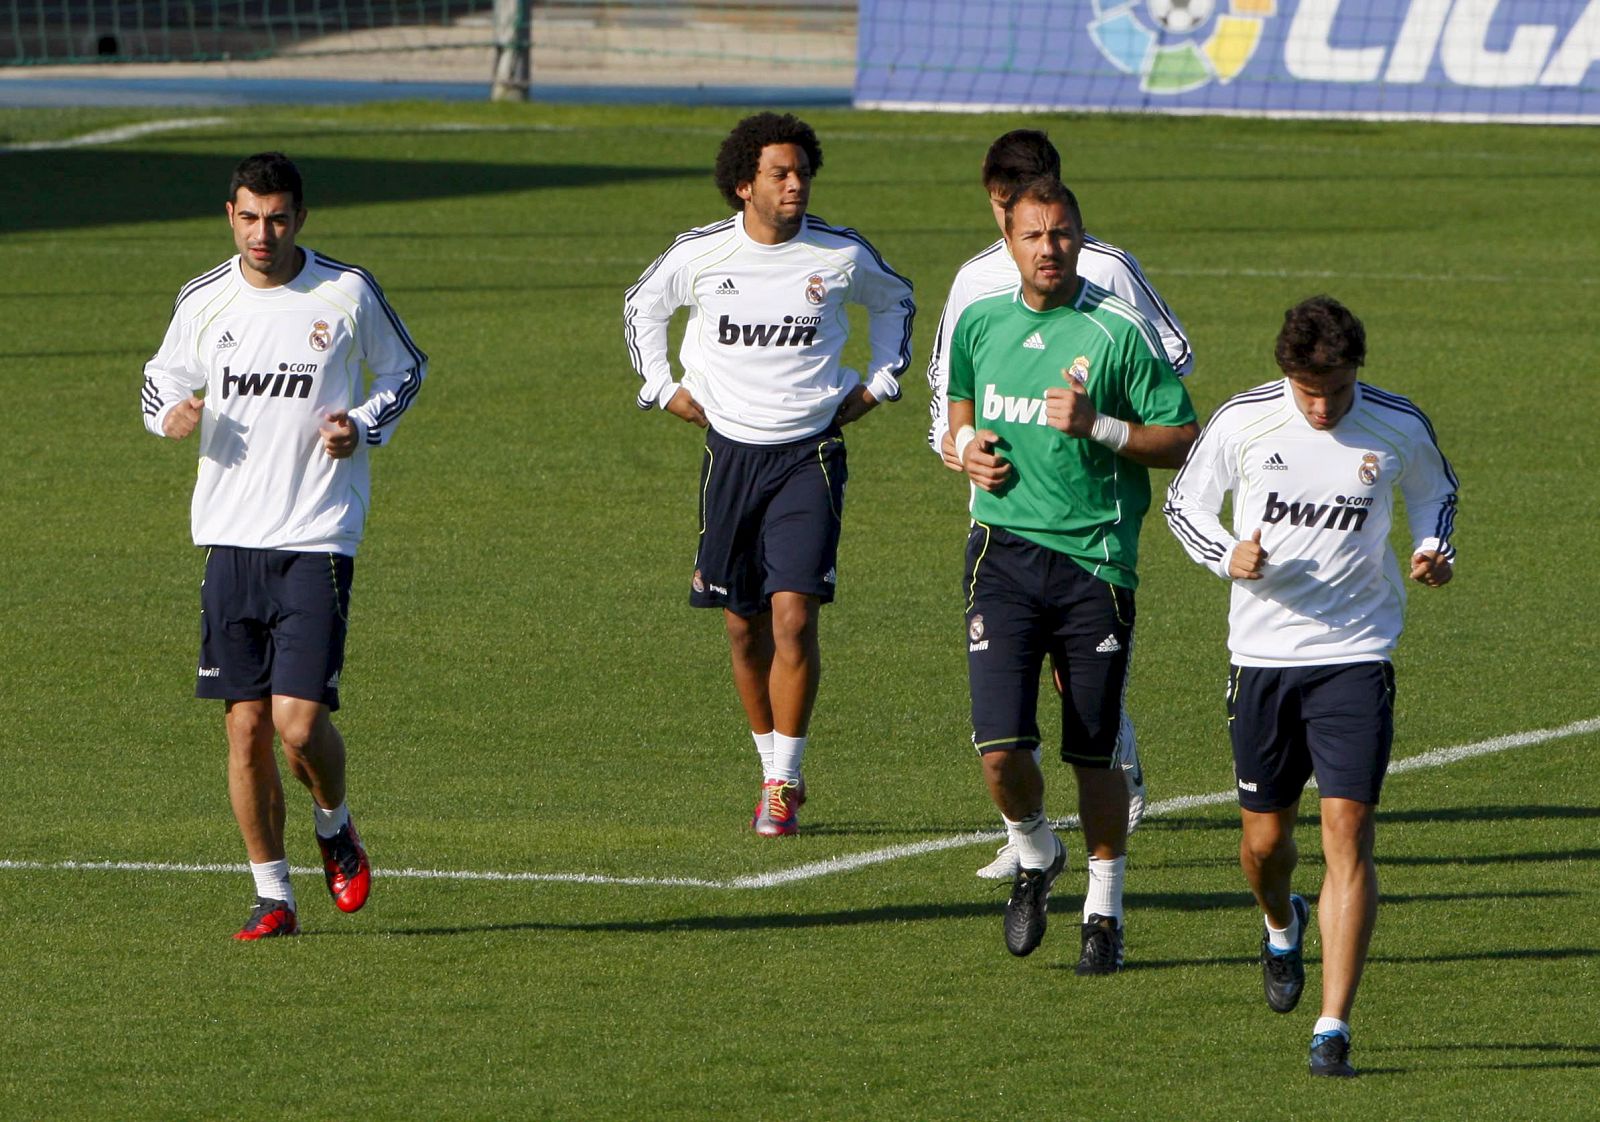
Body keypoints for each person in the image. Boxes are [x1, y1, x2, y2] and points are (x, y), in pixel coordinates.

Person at [1163, 295, 1457, 1077]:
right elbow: (1184, 504)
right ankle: (1280, 921)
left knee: (1348, 830)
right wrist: (1227, 554)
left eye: (1333, 387)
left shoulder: (1397, 425)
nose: (1321, 405)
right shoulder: (1245, 421)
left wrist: (1433, 547)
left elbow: (1436, 492)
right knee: (1264, 844)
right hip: (1262, 657)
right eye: (1306, 388)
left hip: (1358, 654)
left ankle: (1333, 1027)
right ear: (1285, 372)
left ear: (1357, 367)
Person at [141, 152, 426, 939]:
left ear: (299, 218)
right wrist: (170, 412)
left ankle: (334, 826)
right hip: (228, 537)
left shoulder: (346, 291)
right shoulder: (205, 298)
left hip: (316, 535)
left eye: (276, 217)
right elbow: (159, 377)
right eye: (247, 217)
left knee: (297, 724)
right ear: (229, 217)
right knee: (244, 728)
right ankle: (273, 895)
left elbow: (405, 372)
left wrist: (358, 426)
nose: (261, 232)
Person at [622, 112, 914, 837]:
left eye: (802, 172)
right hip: (730, 456)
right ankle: (768, 762)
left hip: (809, 454)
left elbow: (897, 303)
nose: (796, 184)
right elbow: (642, 308)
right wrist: (662, 389)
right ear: (742, 185)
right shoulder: (700, 254)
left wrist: (879, 384)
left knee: (793, 615)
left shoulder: (840, 254)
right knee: (741, 628)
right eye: (780, 174)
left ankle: (783, 782)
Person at [927, 129, 1194, 879]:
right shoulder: (977, 287)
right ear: (998, 210)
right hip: (1003, 524)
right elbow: (955, 386)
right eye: (1025, 223)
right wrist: (963, 445)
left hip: (1091, 528)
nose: (1047, 243)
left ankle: (1114, 773)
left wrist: (1101, 410)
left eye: (1058, 228)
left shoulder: (1108, 274)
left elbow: (1169, 361)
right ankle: (1029, 837)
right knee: (1007, 715)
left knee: (1078, 697)